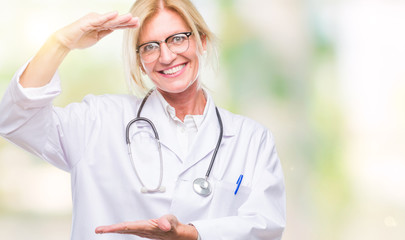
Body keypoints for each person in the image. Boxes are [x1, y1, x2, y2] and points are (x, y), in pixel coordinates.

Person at [0, 0, 286, 239]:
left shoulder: (251, 139)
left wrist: (192, 233)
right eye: (150, 46)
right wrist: (60, 42)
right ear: (139, 60)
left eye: (177, 38)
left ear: (202, 41)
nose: (166, 56)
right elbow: (16, 119)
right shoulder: (98, 121)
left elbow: (265, 226)